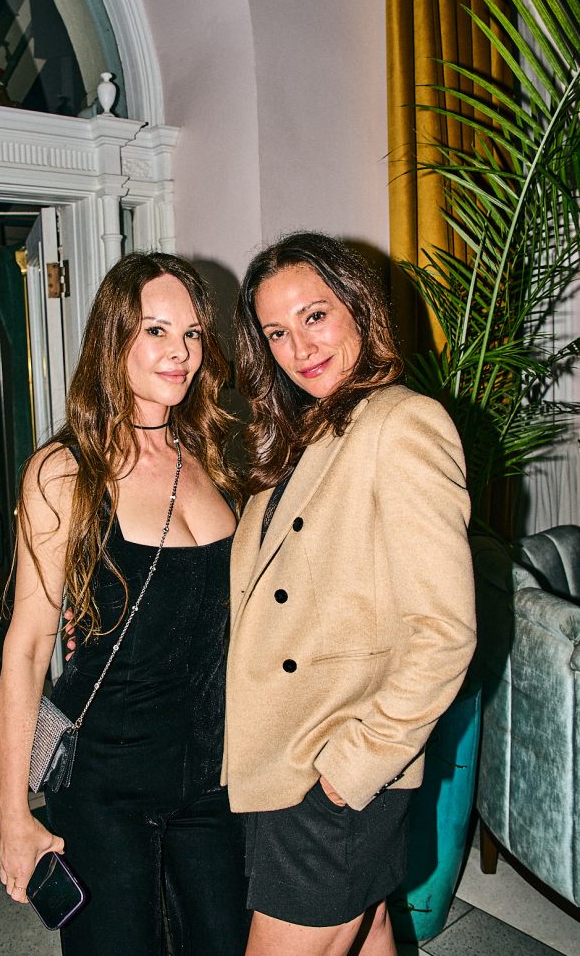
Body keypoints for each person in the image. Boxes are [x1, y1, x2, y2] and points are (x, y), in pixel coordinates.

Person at [222, 231, 477, 956]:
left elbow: (445, 633)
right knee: (367, 930)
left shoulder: (402, 423)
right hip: (292, 753)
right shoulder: (308, 431)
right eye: (276, 332)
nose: (299, 347)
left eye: (315, 316)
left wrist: (349, 771)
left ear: (359, 307)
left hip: (333, 763)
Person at [0, 252, 250, 955]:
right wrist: (13, 812)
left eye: (192, 333)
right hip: (104, 782)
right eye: (156, 331)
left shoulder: (215, 457)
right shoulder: (65, 471)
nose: (181, 353)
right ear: (113, 339)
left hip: (212, 773)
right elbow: (27, 648)